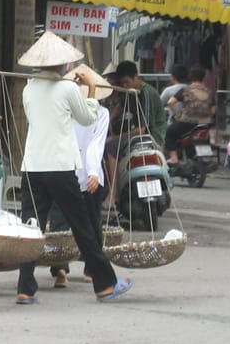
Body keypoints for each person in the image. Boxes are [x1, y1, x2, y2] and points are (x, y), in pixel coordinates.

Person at [16, 32, 130, 304]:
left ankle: (24, 288)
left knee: (31, 228)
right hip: (59, 166)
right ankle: (105, 285)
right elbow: (89, 116)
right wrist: (91, 88)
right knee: (83, 228)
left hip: (32, 167)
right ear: (62, 65)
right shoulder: (67, 89)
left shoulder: (29, 88)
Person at [49, 63, 113, 288]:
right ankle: (60, 269)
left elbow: (95, 145)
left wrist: (94, 172)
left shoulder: (101, 114)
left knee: (90, 224)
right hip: (66, 171)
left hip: (84, 173)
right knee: (61, 223)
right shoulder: (65, 111)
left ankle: (91, 267)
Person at [104, 60, 166, 203]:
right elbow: (119, 109)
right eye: (122, 84)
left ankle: (113, 193)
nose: (125, 86)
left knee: (110, 148)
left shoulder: (146, 93)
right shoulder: (130, 92)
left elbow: (141, 130)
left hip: (151, 135)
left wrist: (115, 137)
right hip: (137, 133)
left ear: (136, 77)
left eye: (127, 82)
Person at [164, 66, 215, 165]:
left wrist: (177, 115)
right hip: (204, 123)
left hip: (187, 122)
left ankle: (174, 158)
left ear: (190, 77)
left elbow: (170, 102)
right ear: (203, 78)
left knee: (170, 131)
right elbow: (213, 110)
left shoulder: (186, 90)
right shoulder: (208, 91)